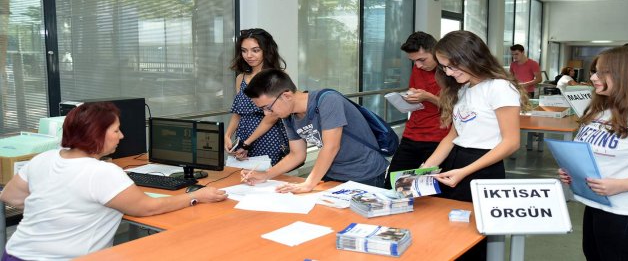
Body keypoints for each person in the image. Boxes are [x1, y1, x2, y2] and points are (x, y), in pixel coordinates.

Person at [0, 102, 228, 260]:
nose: (122, 136)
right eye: (116, 130)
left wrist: (55, 206)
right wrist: (195, 196)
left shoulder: (44, 158)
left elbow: (10, 196)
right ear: (96, 134)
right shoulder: (102, 172)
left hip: (15, 254)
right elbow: (147, 208)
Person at [558, 45, 628, 261]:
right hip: (597, 207)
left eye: (602, 72)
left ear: (627, 75)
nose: (593, 77)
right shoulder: (602, 111)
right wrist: (572, 171)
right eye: (594, 71)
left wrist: (621, 185)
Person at [422, 31, 527, 261]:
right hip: (456, 164)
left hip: (483, 168)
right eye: (444, 68)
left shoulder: (499, 88)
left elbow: (511, 142)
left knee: (473, 241)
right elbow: (453, 136)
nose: (448, 72)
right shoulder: (463, 88)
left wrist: (465, 172)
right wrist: (424, 169)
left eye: (451, 66)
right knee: (449, 234)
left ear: (470, 57)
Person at [240, 69, 389, 193]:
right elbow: (296, 154)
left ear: (286, 96)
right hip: (333, 174)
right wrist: (266, 175)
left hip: (365, 173)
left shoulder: (328, 100)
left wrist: (308, 183)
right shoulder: (288, 115)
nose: (267, 114)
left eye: (268, 107)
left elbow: (331, 147)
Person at [383, 31, 450, 189]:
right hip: (413, 133)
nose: (418, 65)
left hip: (439, 137)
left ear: (435, 51)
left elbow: (457, 108)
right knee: (393, 186)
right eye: (413, 61)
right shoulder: (418, 68)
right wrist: (409, 97)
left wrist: (429, 97)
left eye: (422, 59)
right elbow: (418, 92)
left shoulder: (451, 72)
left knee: (434, 190)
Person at [225, 28, 289, 166]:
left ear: (266, 50)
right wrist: (227, 135)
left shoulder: (275, 77)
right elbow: (238, 112)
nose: (249, 55)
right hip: (243, 138)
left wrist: (247, 143)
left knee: (266, 181)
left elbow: (272, 116)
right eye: (244, 50)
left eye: (255, 50)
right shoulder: (240, 78)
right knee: (241, 179)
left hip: (267, 137)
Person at [509, 44, 544, 151]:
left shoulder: (533, 64)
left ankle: (532, 137)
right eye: (513, 54)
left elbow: (539, 79)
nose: (514, 56)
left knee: (528, 117)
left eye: (516, 54)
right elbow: (511, 77)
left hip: (528, 93)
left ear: (523, 52)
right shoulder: (513, 65)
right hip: (515, 93)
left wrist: (524, 84)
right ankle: (513, 140)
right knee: (514, 115)